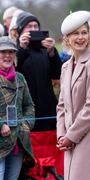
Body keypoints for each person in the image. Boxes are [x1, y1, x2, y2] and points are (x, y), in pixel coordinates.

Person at [56, 10, 90, 180]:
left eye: (84, 32)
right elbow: (61, 106)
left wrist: (71, 136)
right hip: (70, 141)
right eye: (76, 33)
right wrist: (61, 135)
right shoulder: (65, 67)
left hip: (89, 137)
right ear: (67, 39)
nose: (80, 37)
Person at [15, 11, 63, 179]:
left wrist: (52, 53)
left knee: (50, 158)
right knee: (29, 163)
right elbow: (13, 71)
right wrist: (22, 48)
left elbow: (57, 74)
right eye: (29, 27)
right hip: (26, 112)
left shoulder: (45, 51)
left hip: (47, 111)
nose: (33, 29)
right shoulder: (15, 50)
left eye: (36, 26)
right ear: (20, 31)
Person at [0, 36, 35, 179]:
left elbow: (29, 105)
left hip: (18, 142)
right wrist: (0, 125)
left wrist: (26, 124)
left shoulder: (20, 78)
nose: (7, 56)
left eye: (11, 52)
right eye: (3, 52)